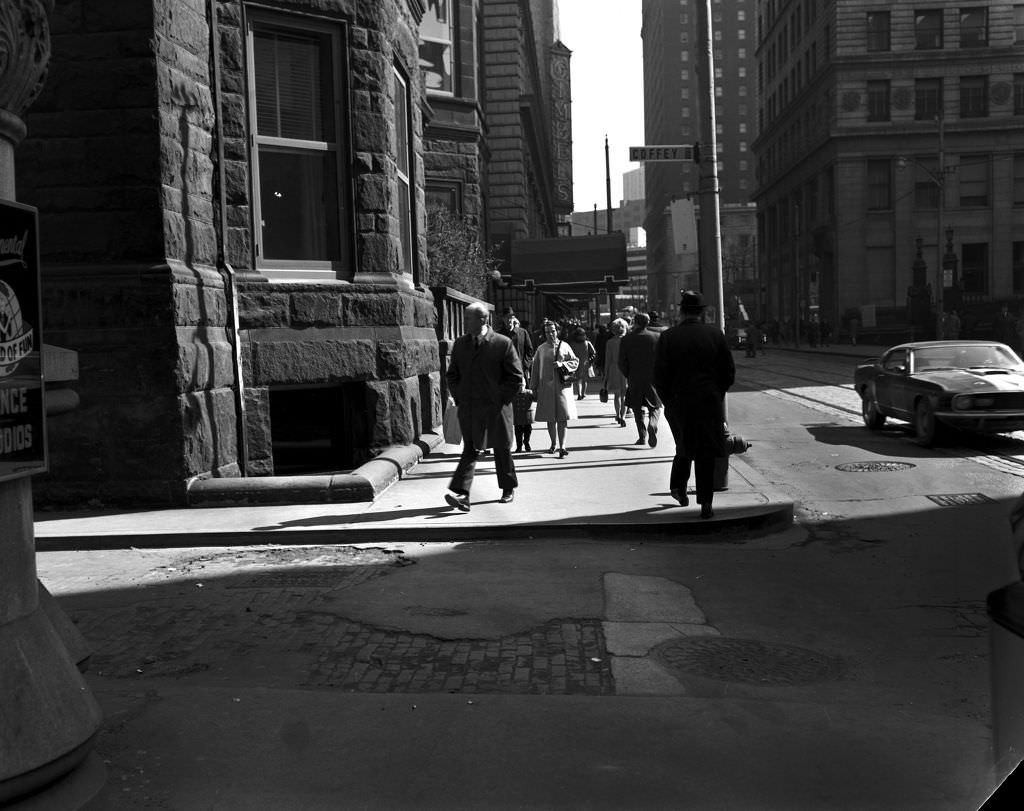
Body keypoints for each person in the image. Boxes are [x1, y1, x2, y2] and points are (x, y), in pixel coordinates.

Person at [654, 290, 736, 520]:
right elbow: (728, 372)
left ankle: (679, 489)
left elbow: (659, 376)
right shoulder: (715, 335)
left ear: (681, 311)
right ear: (701, 313)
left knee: (684, 446)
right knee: (706, 452)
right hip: (708, 401)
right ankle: (706, 503)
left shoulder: (669, 337)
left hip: (680, 402)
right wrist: (715, 393)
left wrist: (670, 400)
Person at [443, 302, 524, 511]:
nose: (464, 322)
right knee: (470, 449)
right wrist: (460, 396)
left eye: (468, 318)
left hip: (497, 408)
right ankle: (462, 495)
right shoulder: (461, 344)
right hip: (470, 407)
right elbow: (452, 375)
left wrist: (500, 398)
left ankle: (508, 488)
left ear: (482, 319)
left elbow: (515, 378)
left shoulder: (502, 343)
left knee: (501, 448)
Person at [530, 319, 578, 458]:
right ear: (544, 334)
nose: (551, 334)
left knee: (562, 417)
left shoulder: (565, 346)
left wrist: (562, 364)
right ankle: (553, 444)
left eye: (553, 331)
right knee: (550, 418)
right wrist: (533, 387)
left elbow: (575, 361)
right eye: (547, 332)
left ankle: (562, 446)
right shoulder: (541, 349)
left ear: (557, 331)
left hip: (563, 388)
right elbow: (535, 368)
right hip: (546, 387)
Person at [618, 311, 663, 447]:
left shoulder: (626, 339)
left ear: (635, 323)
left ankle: (642, 436)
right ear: (648, 323)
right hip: (652, 378)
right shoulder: (656, 337)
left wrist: (629, 374)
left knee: (637, 408)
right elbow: (662, 359)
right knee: (655, 406)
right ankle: (653, 424)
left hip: (634, 378)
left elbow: (621, 362)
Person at [602, 318, 629, 426]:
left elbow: (607, 360)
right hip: (626, 369)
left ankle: (617, 414)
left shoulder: (610, 342)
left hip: (614, 369)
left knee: (617, 395)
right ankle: (623, 416)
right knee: (625, 395)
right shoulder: (628, 341)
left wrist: (606, 375)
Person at [568, 325, 596, 400]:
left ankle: (579, 394)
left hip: (576, 363)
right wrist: (591, 360)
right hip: (585, 362)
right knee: (584, 379)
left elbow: (569, 354)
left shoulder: (572, 344)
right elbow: (594, 352)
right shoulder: (587, 343)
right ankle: (583, 393)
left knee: (578, 379)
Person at [511, 384, 535, 453]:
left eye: (522, 385)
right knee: (518, 433)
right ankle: (519, 446)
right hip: (517, 416)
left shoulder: (529, 393)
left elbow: (536, 398)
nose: (521, 387)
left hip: (527, 417)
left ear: (525, 385)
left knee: (528, 431)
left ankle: (526, 443)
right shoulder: (513, 393)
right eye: (519, 385)